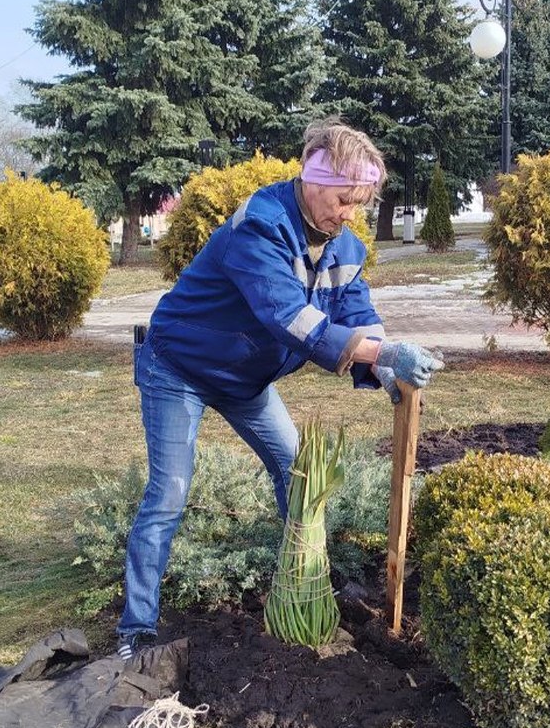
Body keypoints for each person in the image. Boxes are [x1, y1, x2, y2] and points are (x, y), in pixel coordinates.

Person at [116, 118, 443, 660]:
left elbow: (358, 312)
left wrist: (382, 365)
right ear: (313, 180)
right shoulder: (261, 227)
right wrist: (381, 354)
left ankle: (299, 581)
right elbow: (291, 319)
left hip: (247, 380)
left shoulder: (346, 247)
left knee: (297, 472)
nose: (349, 214)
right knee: (169, 492)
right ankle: (136, 631)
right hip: (179, 367)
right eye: (343, 200)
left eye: (359, 203)